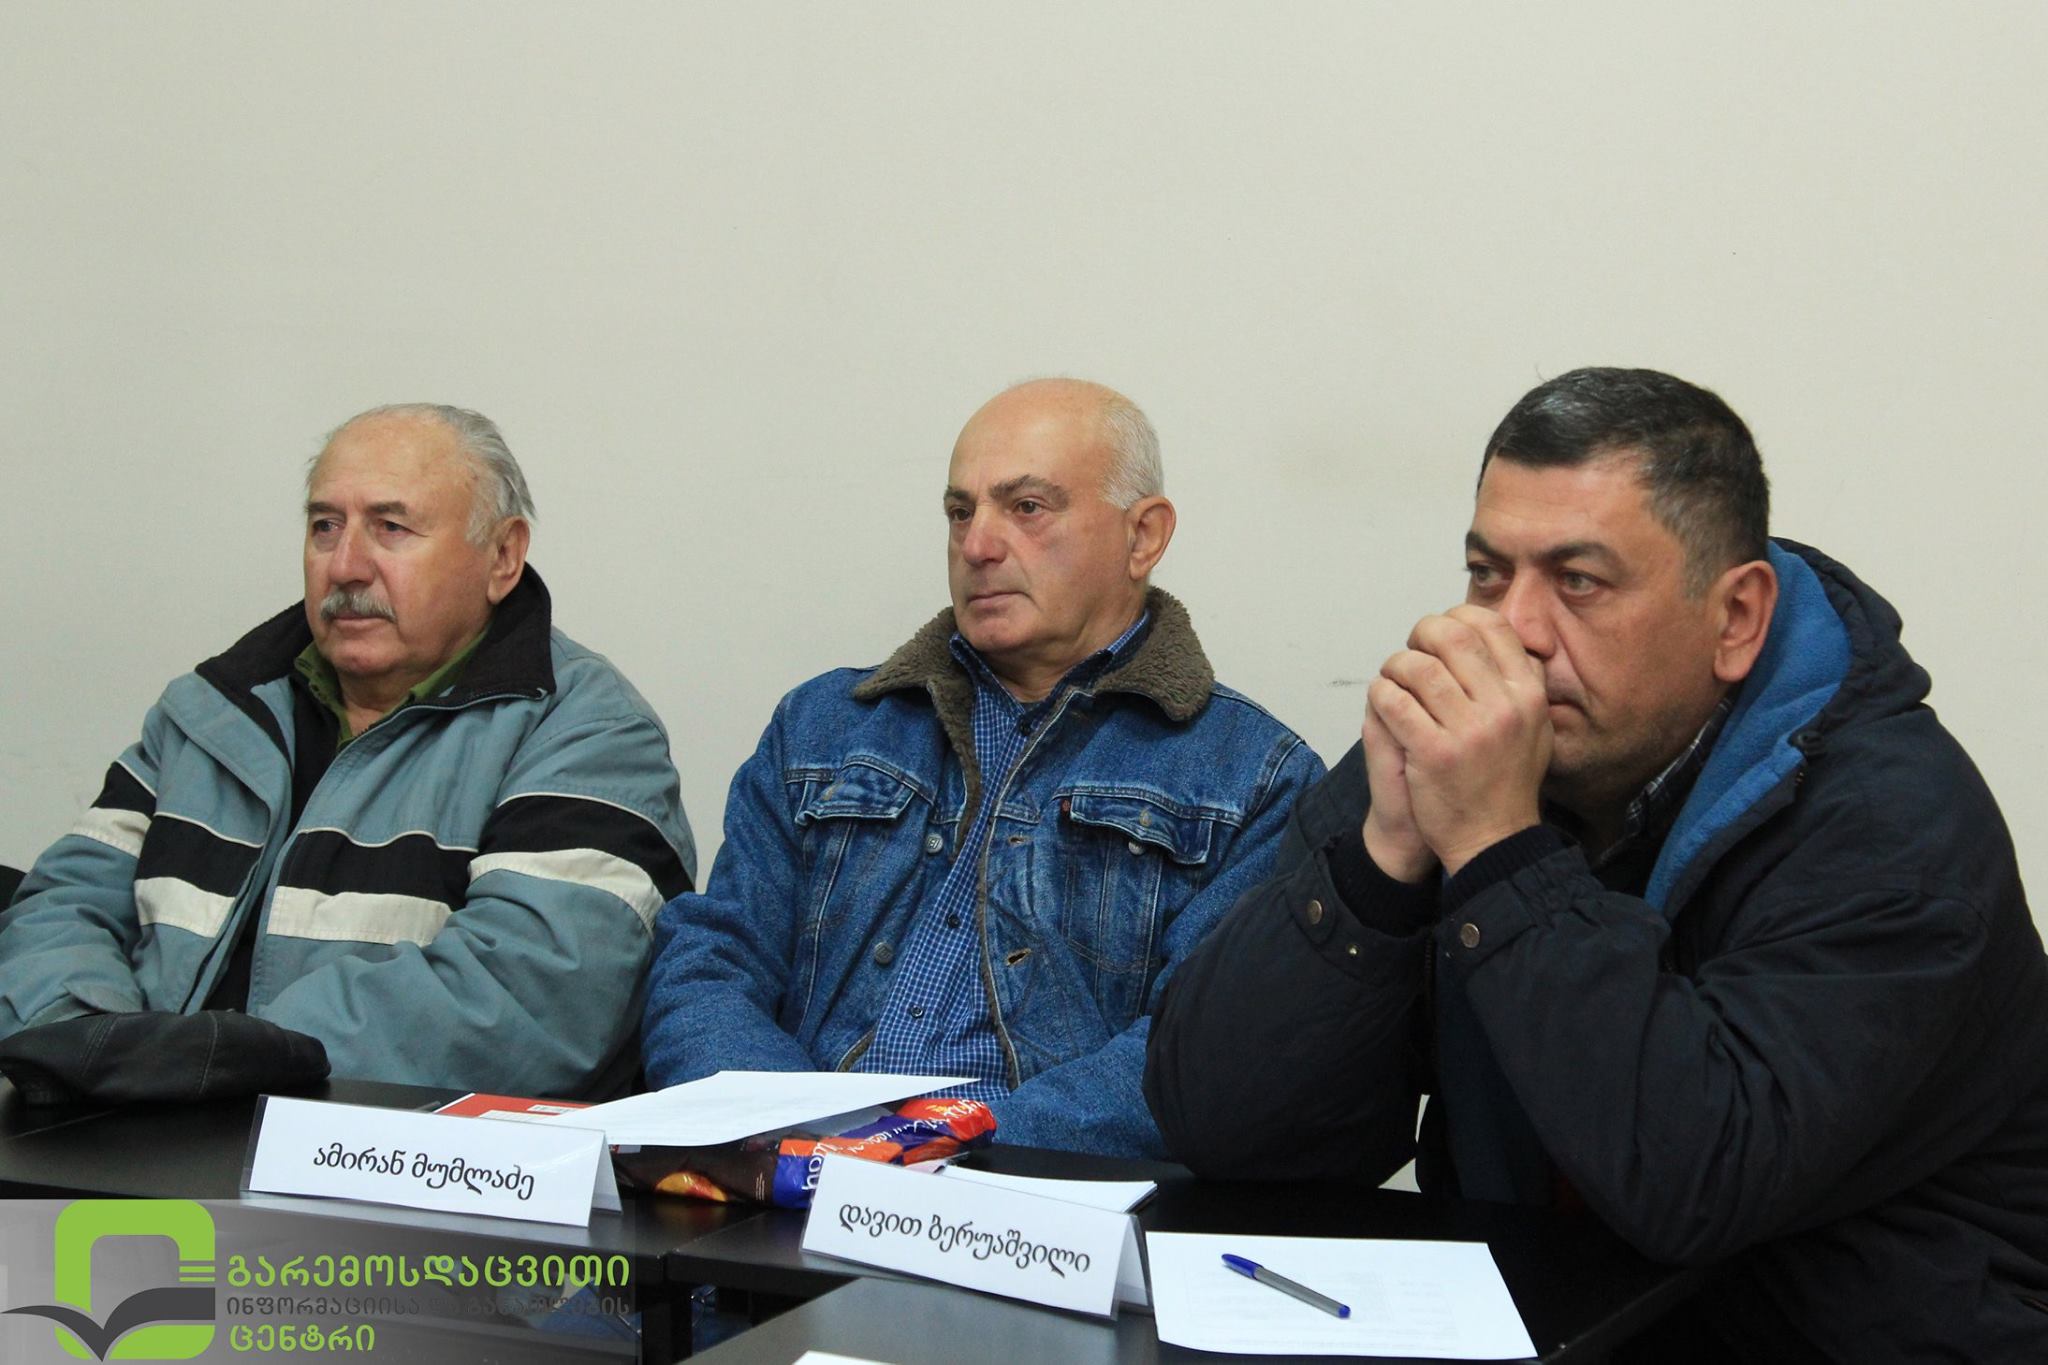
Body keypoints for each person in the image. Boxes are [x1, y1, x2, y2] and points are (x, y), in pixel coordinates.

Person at [1145, 368, 2048, 1359]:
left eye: (1578, 581)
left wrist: (1497, 853)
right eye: (1488, 574)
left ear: (1735, 619)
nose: (1516, 632)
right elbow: (1221, 1130)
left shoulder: (1895, 827)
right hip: (1547, 1326)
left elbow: (1692, 1180)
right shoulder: (1464, 762)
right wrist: (1378, 862)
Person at [642, 378, 1321, 1157]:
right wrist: (796, 1141)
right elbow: (709, 963)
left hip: (1032, 1202)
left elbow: (1193, 1054)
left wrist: (937, 1150)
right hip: (787, 1187)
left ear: (1143, 536)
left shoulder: (1252, 779)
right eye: (960, 512)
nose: (977, 546)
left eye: (1026, 507)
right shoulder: (821, 728)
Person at [0, 404, 694, 1097]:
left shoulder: (590, 731)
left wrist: (215, 1069)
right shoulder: (212, 711)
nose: (346, 566)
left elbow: (532, 999)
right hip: (115, 1133)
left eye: (391, 527)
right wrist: (88, 1049)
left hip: (369, 1158)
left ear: (503, 557)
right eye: (325, 526)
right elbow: (61, 907)